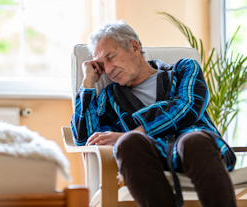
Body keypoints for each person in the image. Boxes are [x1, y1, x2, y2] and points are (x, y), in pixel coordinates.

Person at [71, 20, 237, 207]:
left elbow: (187, 107)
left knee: (192, 140)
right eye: (101, 64)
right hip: (149, 158)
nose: (108, 70)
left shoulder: (183, 70)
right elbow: (86, 139)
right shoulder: (110, 98)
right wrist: (88, 84)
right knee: (128, 144)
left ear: (134, 46)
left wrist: (134, 131)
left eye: (110, 57)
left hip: (197, 150)